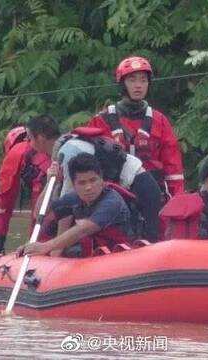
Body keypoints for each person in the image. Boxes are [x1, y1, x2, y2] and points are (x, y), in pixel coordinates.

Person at [26, 114, 162, 241]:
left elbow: (66, 212)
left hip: (140, 184)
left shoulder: (68, 152)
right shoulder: (66, 149)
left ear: (40, 137)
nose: (28, 142)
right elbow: (48, 211)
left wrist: (57, 251)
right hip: (129, 185)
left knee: (149, 237)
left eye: (30, 138)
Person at [86, 56, 184, 198]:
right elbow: (87, 160)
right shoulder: (102, 120)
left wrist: (177, 199)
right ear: (122, 84)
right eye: (132, 80)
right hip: (113, 193)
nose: (138, 85)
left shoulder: (160, 121)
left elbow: (173, 166)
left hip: (152, 193)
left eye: (143, 80)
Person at [18, 153, 133, 257]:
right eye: (82, 183)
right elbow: (40, 214)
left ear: (101, 179)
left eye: (93, 180)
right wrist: (51, 184)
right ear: (73, 185)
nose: (88, 187)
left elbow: (84, 230)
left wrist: (46, 246)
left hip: (117, 255)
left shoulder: (112, 202)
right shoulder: (74, 198)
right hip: (92, 255)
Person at [0, 126, 51, 255]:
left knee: (40, 222)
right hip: (63, 183)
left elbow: (4, 200)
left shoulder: (17, 151)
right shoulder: (47, 144)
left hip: (45, 186)